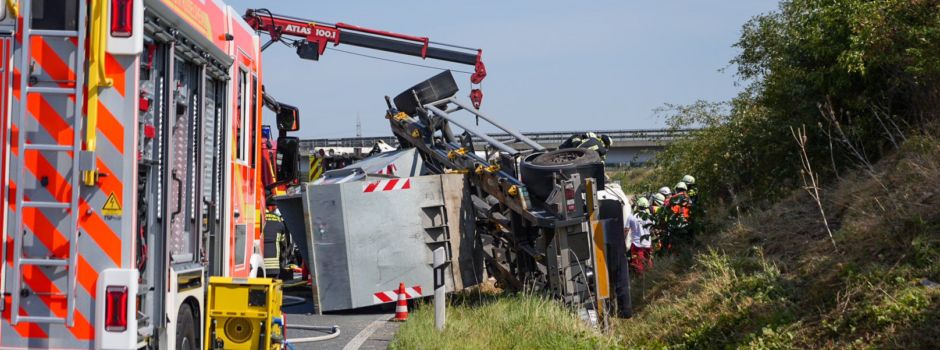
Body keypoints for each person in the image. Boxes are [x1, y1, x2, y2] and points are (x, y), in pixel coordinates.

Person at [263, 200, 294, 280]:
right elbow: (283, 244)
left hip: (258, 266)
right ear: (271, 207)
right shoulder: (278, 221)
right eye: (275, 206)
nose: (276, 208)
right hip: (274, 267)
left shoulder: (258, 218)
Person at [628, 197, 654, 276]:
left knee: (638, 262)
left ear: (638, 206)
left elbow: (626, 229)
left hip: (637, 244)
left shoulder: (632, 216)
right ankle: (651, 276)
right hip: (648, 243)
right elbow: (653, 229)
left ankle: (640, 279)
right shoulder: (650, 216)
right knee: (648, 260)